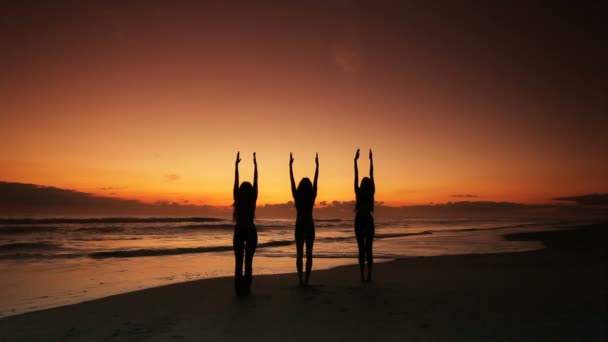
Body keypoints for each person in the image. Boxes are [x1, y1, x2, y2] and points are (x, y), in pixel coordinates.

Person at [290, 152, 319, 286]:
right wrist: (317, 166)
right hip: (309, 226)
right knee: (309, 255)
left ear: (300, 187)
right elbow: (316, 180)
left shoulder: (297, 196)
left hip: (300, 226)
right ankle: (307, 280)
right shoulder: (312, 196)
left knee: (299, 254)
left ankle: (300, 280)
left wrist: (290, 166)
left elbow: (292, 181)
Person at [232, 151, 258, 296]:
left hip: (239, 231)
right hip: (250, 231)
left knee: (238, 263)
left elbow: (235, 182)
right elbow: (256, 181)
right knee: (248, 263)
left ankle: (238, 290)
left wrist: (236, 166)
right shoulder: (253, 198)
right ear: (251, 192)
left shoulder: (238, 198)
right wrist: (255, 165)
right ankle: (246, 290)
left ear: (240, 192)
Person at [354, 148, 375, 282]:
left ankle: (363, 275)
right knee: (368, 249)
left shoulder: (358, 191)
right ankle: (368, 276)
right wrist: (371, 160)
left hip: (360, 221)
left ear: (362, 184)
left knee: (362, 249)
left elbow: (356, 175)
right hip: (367, 220)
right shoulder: (371, 191)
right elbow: (372, 174)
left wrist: (355, 161)